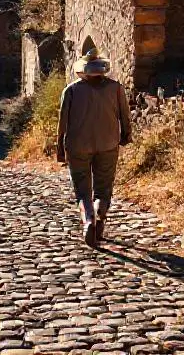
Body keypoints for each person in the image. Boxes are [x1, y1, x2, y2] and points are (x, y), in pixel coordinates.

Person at [56, 50, 133, 247]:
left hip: (77, 146)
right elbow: (125, 115)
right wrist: (125, 135)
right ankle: (100, 212)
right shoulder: (116, 88)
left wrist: (59, 148)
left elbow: (62, 123)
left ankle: (88, 219)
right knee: (103, 187)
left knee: (82, 190)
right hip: (108, 144)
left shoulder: (71, 90)